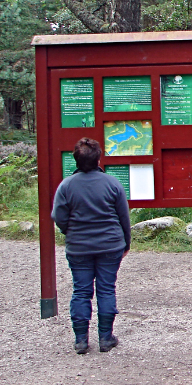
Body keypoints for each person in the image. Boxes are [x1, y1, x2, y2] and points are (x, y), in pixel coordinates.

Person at [52, 138, 131, 354]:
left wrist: (71, 231)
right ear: (98, 158)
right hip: (110, 245)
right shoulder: (112, 183)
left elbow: (59, 217)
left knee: (81, 290)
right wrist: (126, 243)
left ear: (76, 160)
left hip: (78, 247)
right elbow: (123, 217)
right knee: (106, 289)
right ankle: (106, 338)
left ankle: (81, 340)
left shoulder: (66, 186)